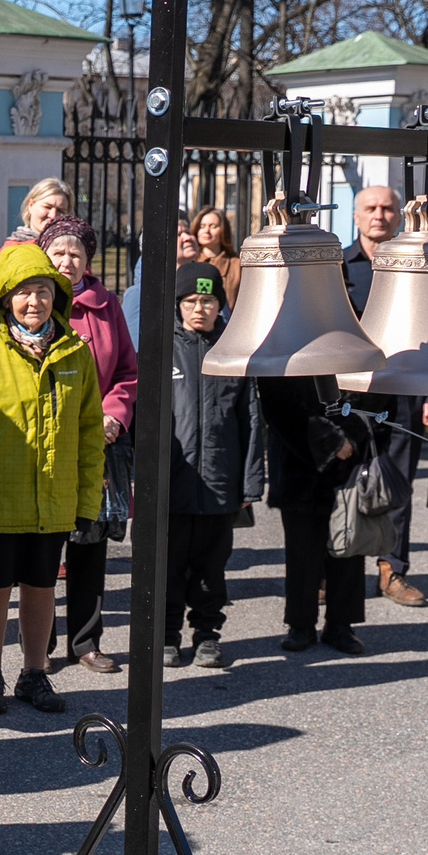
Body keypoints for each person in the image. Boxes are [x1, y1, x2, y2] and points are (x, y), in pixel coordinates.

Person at [0, 243, 106, 714]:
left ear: (59, 298)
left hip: (54, 500)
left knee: (41, 587)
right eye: (25, 292)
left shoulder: (76, 354)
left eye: (45, 292)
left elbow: (91, 433)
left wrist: (85, 501)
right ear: (6, 298)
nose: (35, 302)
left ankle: (34, 674)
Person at [38, 216, 136, 671]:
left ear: (88, 261)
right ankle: (38, 644)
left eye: (76, 253)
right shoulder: (32, 304)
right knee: (41, 549)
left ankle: (85, 641)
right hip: (43, 443)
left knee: (89, 544)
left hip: (96, 443)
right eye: (58, 252)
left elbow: (126, 373)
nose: (67, 261)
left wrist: (115, 415)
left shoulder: (106, 305)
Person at [161, 261, 264, 667]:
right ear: (178, 305)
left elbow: (252, 419)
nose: (199, 309)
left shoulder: (234, 352)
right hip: (173, 481)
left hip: (220, 481)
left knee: (210, 568)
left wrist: (250, 483)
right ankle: (167, 634)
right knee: (168, 565)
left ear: (220, 305)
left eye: (208, 301)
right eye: (191, 301)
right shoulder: (161, 350)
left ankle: (206, 633)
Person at [343, 183, 428, 609]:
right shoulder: (338, 267)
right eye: (370, 208)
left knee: (396, 484)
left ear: (400, 216)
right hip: (351, 392)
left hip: (403, 390)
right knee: (344, 481)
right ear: (357, 216)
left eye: (387, 208)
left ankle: (392, 570)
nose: (379, 215)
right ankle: (338, 569)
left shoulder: (418, 267)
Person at [258, 375, 374, 654]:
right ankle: (300, 624)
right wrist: (330, 441)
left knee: (349, 545)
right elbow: (277, 404)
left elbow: (367, 392)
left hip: (350, 461)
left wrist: (348, 437)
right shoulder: (285, 340)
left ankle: (341, 625)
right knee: (301, 549)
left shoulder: (350, 337)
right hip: (296, 458)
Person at [0, 177, 76, 286]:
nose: (53, 215)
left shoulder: (74, 254)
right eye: (47, 207)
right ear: (31, 205)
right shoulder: (4, 255)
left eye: (60, 211)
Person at [189, 206, 242, 311]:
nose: (206, 231)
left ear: (223, 230)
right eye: (202, 226)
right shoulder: (190, 261)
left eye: (213, 226)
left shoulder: (237, 265)